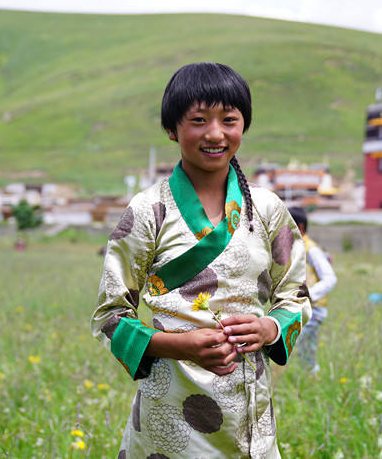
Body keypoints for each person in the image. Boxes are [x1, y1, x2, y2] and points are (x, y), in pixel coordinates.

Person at [91, 62, 312, 458]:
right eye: (198, 120)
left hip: (249, 415)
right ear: (172, 129)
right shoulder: (147, 211)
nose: (215, 134)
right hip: (168, 411)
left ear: (243, 125)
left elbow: (296, 294)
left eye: (229, 120)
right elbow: (109, 316)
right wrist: (181, 346)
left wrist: (268, 329)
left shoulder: (266, 208)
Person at [288, 206, 337, 373]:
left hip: (314, 309)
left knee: (305, 350)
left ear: (300, 227)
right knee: (300, 351)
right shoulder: (295, 248)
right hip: (302, 309)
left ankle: (311, 379)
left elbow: (330, 278)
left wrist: (307, 295)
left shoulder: (312, 249)